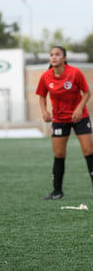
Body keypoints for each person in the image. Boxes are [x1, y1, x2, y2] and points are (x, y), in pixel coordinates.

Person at [36, 45, 93, 200]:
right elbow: (41, 95)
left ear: (64, 58)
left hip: (79, 117)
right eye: (51, 55)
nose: (53, 57)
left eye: (57, 54)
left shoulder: (75, 73)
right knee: (59, 154)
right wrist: (45, 111)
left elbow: (87, 92)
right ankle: (57, 191)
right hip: (60, 119)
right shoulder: (46, 76)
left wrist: (79, 109)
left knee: (88, 151)